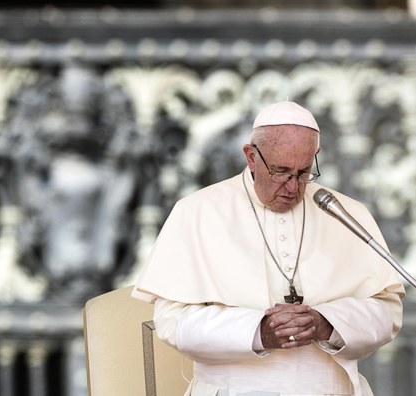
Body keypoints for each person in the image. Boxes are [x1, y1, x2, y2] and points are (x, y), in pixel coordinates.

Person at [131, 101, 405, 396]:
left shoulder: (346, 213)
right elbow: (172, 322)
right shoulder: (196, 211)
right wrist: (258, 330)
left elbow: (386, 312)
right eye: (280, 171)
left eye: (303, 173)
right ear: (251, 157)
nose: (293, 187)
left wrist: (327, 323)